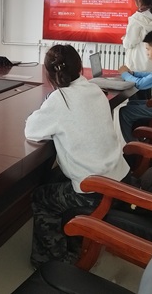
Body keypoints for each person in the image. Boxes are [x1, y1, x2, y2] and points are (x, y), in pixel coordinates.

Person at [25, 44, 130, 268]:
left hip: (94, 191)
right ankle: (72, 241)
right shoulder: (95, 89)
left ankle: (52, 262)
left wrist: (48, 105)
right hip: (119, 177)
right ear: (80, 68)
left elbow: (31, 130)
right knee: (54, 178)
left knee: (41, 197)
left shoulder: (59, 99)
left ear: (48, 74)